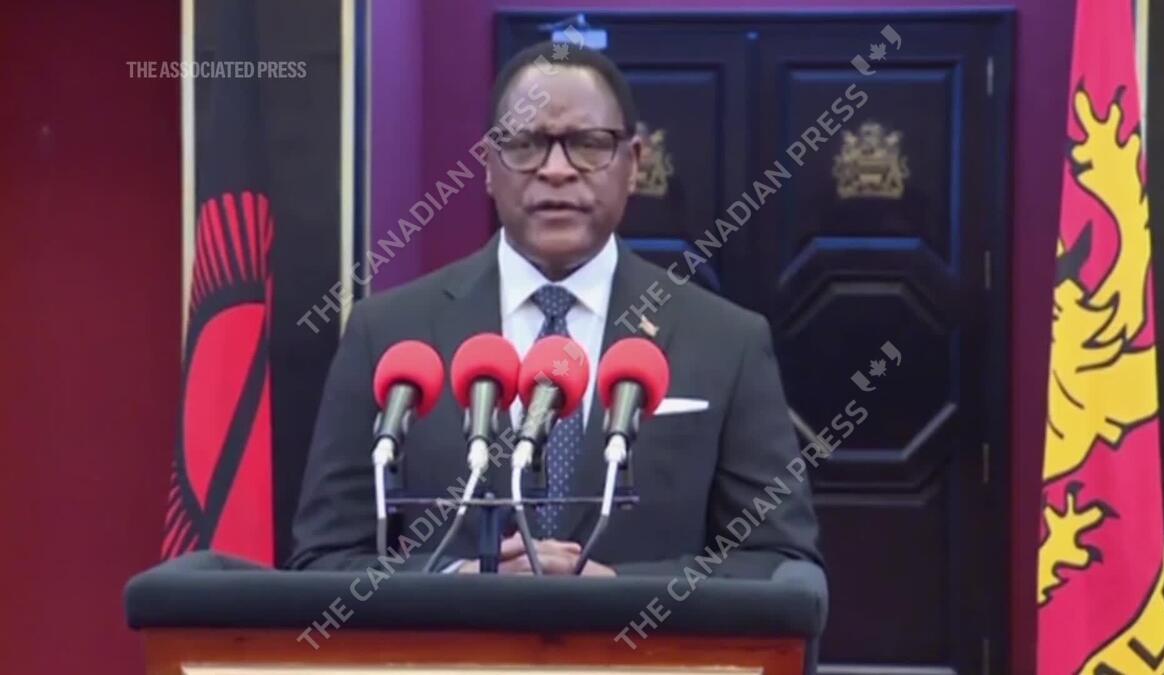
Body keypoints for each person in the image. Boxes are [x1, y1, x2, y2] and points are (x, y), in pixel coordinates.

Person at [287, 41, 821, 578]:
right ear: (488, 166)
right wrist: (459, 582)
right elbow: (323, 560)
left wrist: (623, 592)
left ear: (633, 164)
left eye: (589, 144)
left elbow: (781, 563)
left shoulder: (727, 342)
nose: (557, 170)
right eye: (525, 144)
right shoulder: (389, 334)